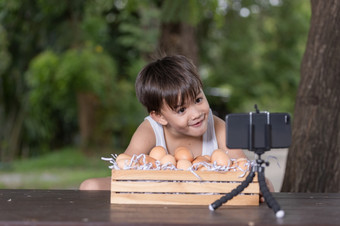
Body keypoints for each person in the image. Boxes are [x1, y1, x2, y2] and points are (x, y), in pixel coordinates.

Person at [79, 55, 273, 193]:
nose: (196, 114)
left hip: (207, 200)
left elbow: (242, 172)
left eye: (198, 100)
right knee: (89, 186)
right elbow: (123, 170)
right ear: (159, 117)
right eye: (181, 110)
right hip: (158, 197)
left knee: (265, 184)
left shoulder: (220, 128)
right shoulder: (150, 130)